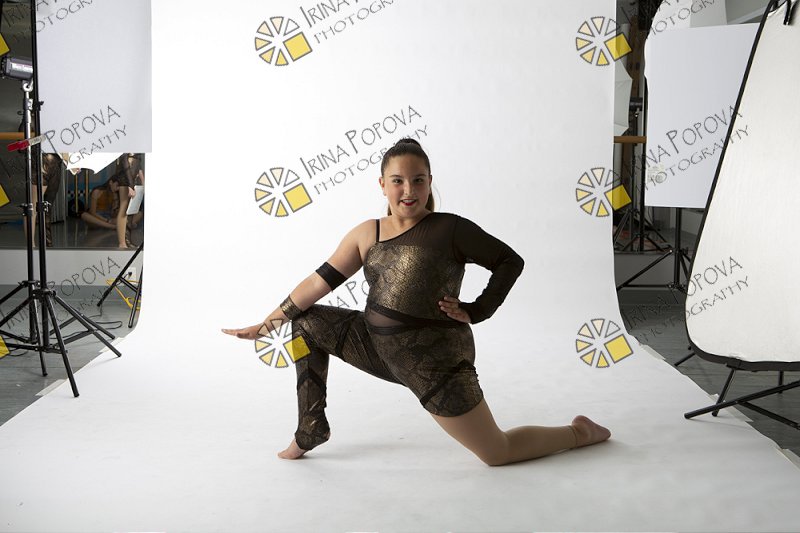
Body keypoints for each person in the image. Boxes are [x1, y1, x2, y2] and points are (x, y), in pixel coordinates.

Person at [223, 139, 610, 465]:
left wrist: (478, 310)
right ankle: (311, 428)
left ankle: (579, 433)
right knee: (306, 323)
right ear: (382, 185)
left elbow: (510, 261)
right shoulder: (367, 233)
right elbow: (317, 282)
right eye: (398, 181)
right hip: (375, 347)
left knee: (497, 452)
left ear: (429, 182)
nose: (408, 190)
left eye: (418, 180)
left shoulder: (450, 229)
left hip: (434, 362)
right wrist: (268, 323)